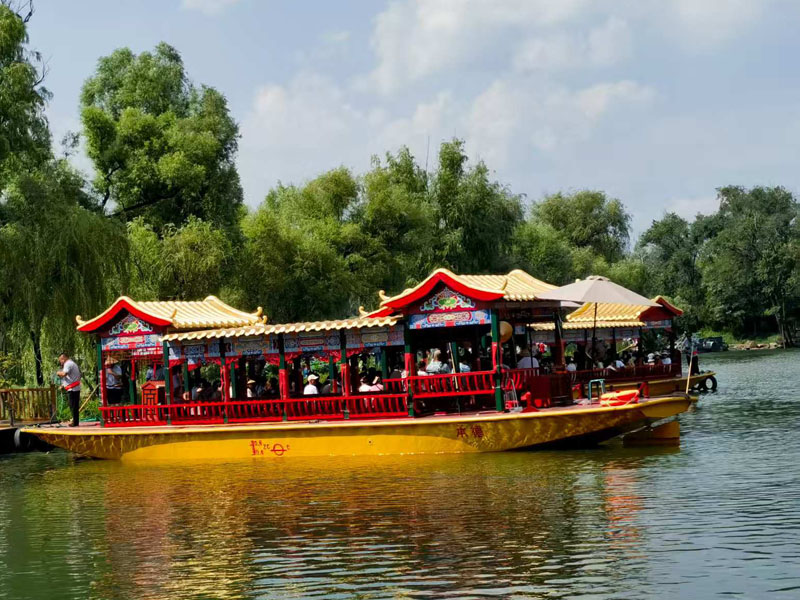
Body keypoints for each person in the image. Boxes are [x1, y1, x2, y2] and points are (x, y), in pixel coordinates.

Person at [57, 352, 81, 427]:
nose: (60, 362)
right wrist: (63, 385)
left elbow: (64, 374)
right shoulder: (72, 363)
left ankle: (75, 422)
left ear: (63, 358)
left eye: (60, 360)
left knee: (73, 406)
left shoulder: (68, 364)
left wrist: (58, 373)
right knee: (74, 406)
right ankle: (75, 421)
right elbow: (70, 377)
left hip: (72, 389)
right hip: (74, 388)